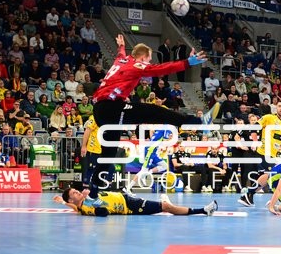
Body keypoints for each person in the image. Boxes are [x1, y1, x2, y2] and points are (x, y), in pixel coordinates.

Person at [90, 34, 207, 190]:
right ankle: (195, 121)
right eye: (149, 59)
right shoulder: (136, 66)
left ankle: (92, 193)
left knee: (108, 154)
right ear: (142, 57)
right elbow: (160, 69)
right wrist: (188, 62)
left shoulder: (121, 61)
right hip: (111, 108)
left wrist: (121, 46)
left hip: (100, 109)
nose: (150, 62)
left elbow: (120, 54)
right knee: (154, 111)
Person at [238, 100, 281, 206]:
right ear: (276, 108)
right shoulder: (269, 118)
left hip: (275, 154)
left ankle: (248, 195)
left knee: (271, 175)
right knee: (271, 174)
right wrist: (255, 141)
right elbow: (255, 127)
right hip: (265, 151)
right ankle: (252, 195)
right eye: (279, 106)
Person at [55, 187, 217, 217]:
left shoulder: (82, 205)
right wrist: (89, 200)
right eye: (75, 193)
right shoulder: (87, 207)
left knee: (165, 206)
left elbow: (75, 209)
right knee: (166, 207)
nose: (78, 192)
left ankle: (202, 210)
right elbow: (103, 212)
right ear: (72, 199)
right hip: (130, 206)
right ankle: (202, 210)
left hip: (126, 198)